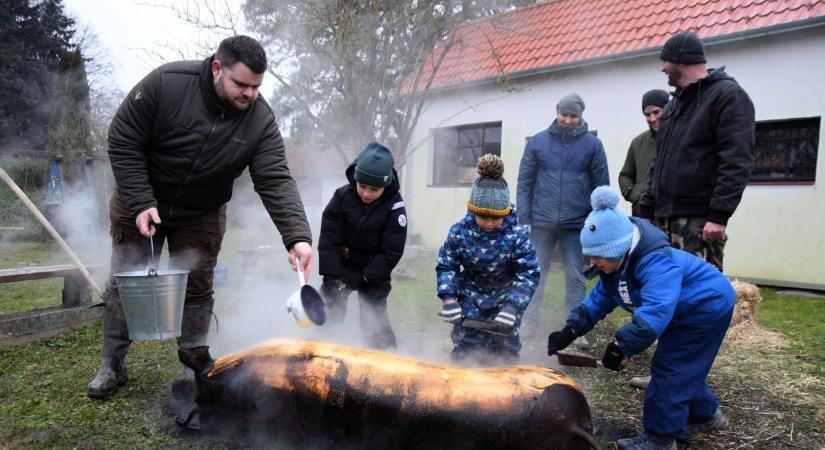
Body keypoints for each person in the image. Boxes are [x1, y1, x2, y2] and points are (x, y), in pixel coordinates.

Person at [88, 35, 313, 399]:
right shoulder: (167, 84)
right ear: (216, 69)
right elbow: (123, 137)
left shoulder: (260, 120)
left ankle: (195, 358)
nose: (249, 94)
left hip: (202, 212)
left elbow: (274, 179)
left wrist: (297, 236)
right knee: (126, 283)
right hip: (142, 200)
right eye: (241, 84)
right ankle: (112, 364)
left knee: (198, 287)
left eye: (257, 86)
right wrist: (142, 200)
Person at [547, 186, 734, 450]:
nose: (593, 262)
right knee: (683, 368)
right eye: (590, 256)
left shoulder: (655, 263)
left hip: (705, 308)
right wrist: (570, 331)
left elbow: (656, 310)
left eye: (598, 258)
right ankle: (707, 415)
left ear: (618, 250)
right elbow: (599, 299)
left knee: (670, 370)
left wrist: (622, 346)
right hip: (682, 310)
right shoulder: (615, 267)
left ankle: (660, 439)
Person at [638, 30, 755, 271]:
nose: (662, 68)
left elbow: (736, 160)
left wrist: (719, 215)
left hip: (699, 222)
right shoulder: (672, 106)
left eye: (665, 60)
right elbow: (659, 162)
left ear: (681, 59)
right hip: (663, 220)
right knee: (664, 290)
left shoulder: (727, 97)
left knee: (699, 296)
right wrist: (646, 210)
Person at [517, 93, 609, 349]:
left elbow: (602, 186)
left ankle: (576, 328)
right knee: (535, 272)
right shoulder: (537, 142)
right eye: (564, 114)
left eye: (573, 116)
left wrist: (599, 220)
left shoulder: (593, 146)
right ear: (557, 113)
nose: (568, 120)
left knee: (575, 276)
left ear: (580, 117)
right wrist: (524, 216)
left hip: (576, 222)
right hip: (541, 220)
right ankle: (529, 321)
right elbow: (524, 181)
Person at [437, 154, 540, 364]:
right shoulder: (459, 232)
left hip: (505, 301)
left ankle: (506, 391)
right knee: (466, 348)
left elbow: (528, 273)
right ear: (473, 209)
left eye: (496, 217)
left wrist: (513, 307)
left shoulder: (517, 235)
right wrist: (449, 299)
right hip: (470, 299)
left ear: (505, 211)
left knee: (505, 351)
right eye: (484, 216)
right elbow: (448, 265)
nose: (490, 223)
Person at [318, 142, 407, 350]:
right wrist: (333, 273)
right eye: (362, 186)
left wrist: (365, 277)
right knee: (328, 312)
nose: (366, 193)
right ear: (355, 179)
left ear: (385, 185)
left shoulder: (395, 206)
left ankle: (387, 360)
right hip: (342, 265)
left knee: (374, 321)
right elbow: (329, 238)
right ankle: (323, 351)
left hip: (374, 272)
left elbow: (391, 251)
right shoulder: (342, 197)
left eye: (374, 189)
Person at [618, 89, 670, 216]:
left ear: (668, 109)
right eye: (647, 114)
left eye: (656, 112)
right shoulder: (638, 142)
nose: (652, 118)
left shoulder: (681, 137)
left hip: (672, 215)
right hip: (642, 215)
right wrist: (635, 195)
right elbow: (625, 175)